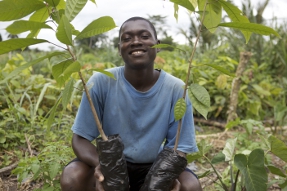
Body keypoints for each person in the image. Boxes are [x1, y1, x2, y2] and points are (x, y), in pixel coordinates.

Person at [60, 16, 202, 191]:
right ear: (119, 49)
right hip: (112, 163)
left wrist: (163, 177)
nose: (136, 42)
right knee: (72, 176)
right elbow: (80, 139)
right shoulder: (101, 82)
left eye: (144, 36)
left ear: (157, 44)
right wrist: (105, 166)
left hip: (155, 165)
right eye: (126, 39)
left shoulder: (177, 89)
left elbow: (178, 147)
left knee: (190, 186)